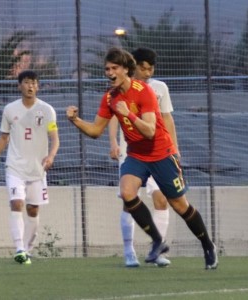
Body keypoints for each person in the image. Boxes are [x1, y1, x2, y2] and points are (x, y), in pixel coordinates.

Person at [66, 47, 217, 270]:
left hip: (161, 153)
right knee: (127, 193)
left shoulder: (144, 91)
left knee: (180, 205)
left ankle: (208, 245)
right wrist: (76, 120)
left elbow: (150, 131)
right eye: (107, 69)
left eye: (114, 68)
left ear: (126, 69)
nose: (109, 72)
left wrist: (128, 114)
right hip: (136, 155)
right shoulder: (109, 97)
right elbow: (96, 130)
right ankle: (157, 241)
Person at [108, 48, 177, 268]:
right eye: (142, 68)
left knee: (161, 198)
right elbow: (112, 117)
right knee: (129, 201)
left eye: (150, 69)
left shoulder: (159, 88)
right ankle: (129, 251)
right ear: (132, 67)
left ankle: (157, 250)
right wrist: (113, 142)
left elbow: (167, 119)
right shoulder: (119, 89)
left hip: (158, 153)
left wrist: (174, 148)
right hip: (132, 153)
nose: (147, 72)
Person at [0, 70, 60, 265]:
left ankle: (27, 249)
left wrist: (51, 156)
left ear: (38, 86)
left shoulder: (47, 110)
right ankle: (19, 248)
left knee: (33, 210)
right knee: (16, 203)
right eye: (26, 82)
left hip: (37, 169)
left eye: (33, 83)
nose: (30, 86)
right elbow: (4, 137)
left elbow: (55, 138)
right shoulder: (10, 109)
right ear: (20, 85)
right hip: (15, 167)